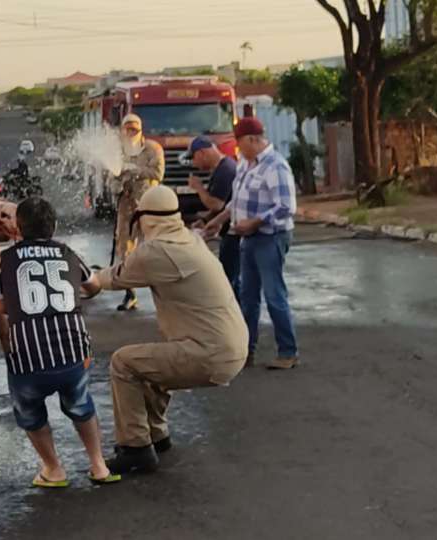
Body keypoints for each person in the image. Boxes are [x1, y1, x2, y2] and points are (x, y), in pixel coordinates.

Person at [83, 185, 249, 474]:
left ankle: (135, 448)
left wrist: (75, 281)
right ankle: (156, 435)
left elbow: (103, 281)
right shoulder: (190, 240)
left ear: (145, 218)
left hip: (209, 354)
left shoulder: (157, 252)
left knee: (123, 363)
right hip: (232, 347)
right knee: (149, 363)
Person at [0, 197, 121, 488]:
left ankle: (53, 469)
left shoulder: (6, 260)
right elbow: (93, 286)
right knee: (80, 404)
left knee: (30, 411)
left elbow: (1, 306)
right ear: (53, 227)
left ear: (19, 228)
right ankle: (99, 466)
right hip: (74, 353)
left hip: (28, 359)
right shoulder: (68, 252)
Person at [204, 117, 299, 369]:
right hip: (247, 237)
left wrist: (256, 222)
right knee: (248, 297)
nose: (237, 148)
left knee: (273, 294)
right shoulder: (246, 165)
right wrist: (221, 219)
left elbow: (286, 207)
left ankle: (287, 352)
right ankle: (246, 351)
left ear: (253, 140)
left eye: (240, 142)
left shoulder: (275, 166)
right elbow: (237, 201)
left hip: (270, 237)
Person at [111, 113, 165, 312]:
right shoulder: (117, 152)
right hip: (126, 208)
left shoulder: (152, 149)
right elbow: (112, 179)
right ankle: (130, 293)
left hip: (149, 206)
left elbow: (157, 174)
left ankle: (163, 295)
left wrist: (135, 170)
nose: (131, 132)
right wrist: (118, 186)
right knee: (125, 250)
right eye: (127, 129)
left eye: (134, 129)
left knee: (154, 249)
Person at [183, 135, 240, 299]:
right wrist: (206, 220)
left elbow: (216, 204)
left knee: (230, 280)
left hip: (234, 233)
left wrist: (199, 188)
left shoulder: (225, 170)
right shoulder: (221, 168)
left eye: (194, 158)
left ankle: (236, 318)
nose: (194, 163)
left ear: (202, 153)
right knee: (231, 278)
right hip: (228, 231)